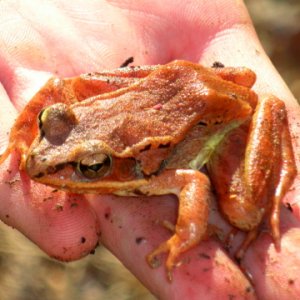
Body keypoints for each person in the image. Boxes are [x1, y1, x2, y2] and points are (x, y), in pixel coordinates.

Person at [0, 1, 299, 298]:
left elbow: (192, 180)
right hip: (183, 83)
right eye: (47, 123)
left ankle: (276, 175)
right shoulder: (61, 119)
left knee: (244, 213)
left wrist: (187, 233)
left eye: (91, 166)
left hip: (223, 118)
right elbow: (56, 88)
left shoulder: (149, 171)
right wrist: (20, 133)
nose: (38, 159)